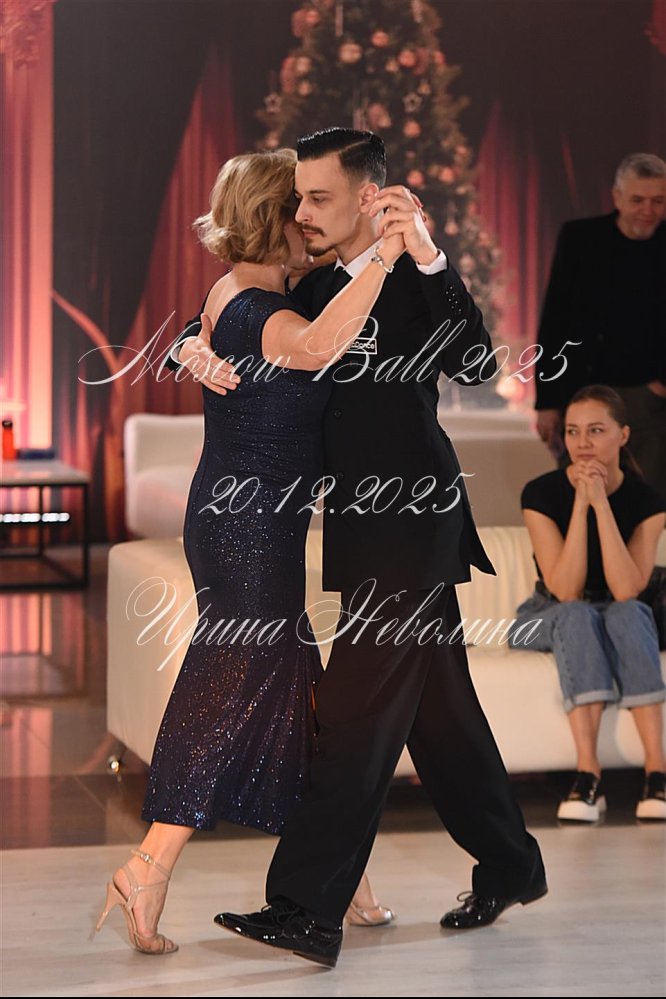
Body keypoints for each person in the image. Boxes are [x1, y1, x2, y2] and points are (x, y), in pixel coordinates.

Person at [169, 128, 548, 970]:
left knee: (352, 714)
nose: (302, 212)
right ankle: (513, 864)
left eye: (318, 198)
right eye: (298, 198)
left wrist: (431, 255)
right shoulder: (311, 282)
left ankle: (306, 908)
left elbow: (474, 360)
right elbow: (231, 314)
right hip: (365, 526)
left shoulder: (410, 273)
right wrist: (187, 345)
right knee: (442, 719)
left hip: (410, 523)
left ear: (368, 197)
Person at [94, 147, 407, 954]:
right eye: (300, 205)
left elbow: (213, 333)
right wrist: (383, 254)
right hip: (248, 530)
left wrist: (185, 346)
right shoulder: (257, 308)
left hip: (250, 523)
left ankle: (341, 877)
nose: (310, 217)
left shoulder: (246, 293)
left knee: (303, 699)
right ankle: (148, 863)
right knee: (225, 688)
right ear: (277, 215)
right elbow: (317, 347)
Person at [509, 384, 666, 822]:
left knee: (629, 613)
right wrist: (581, 507)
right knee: (578, 614)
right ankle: (587, 776)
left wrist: (602, 505)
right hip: (548, 614)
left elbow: (627, 590)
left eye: (596, 430)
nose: (582, 443)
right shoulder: (540, 494)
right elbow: (565, 591)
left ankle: (657, 774)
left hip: (618, 611)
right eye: (573, 431)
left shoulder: (648, 500)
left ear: (623, 435)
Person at [534, 153, 666, 502]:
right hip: (582, 389)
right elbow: (555, 319)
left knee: (649, 500)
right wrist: (547, 401)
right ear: (617, 197)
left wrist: (659, 386)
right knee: (581, 494)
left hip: (650, 398)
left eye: (658, 201)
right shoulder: (581, 238)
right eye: (637, 200)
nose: (648, 210)